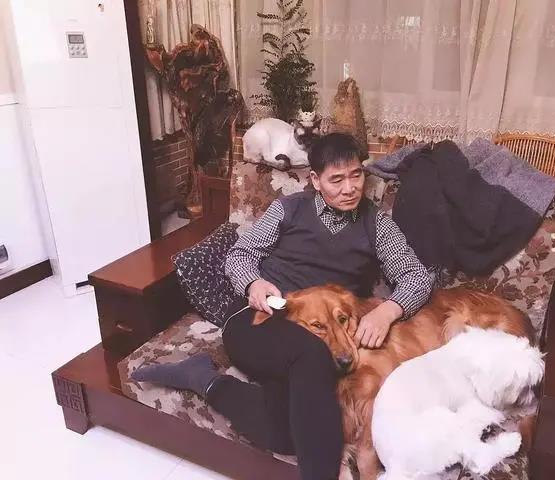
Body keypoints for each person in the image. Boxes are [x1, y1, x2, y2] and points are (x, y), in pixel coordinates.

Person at [131, 133, 437, 480]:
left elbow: (416, 275)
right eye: (336, 180)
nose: (350, 188)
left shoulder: (375, 223)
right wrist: (253, 283)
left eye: (356, 175)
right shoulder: (288, 209)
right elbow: (240, 255)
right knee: (312, 353)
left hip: (321, 333)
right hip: (259, 320)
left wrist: (389, 309)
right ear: (316, 180)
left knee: (285, 433)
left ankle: (200, 378)